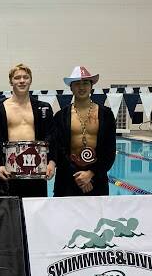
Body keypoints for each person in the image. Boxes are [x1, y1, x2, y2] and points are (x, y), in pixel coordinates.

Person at [49, 66, 117, 197]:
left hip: (97, 178)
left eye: (85, 83)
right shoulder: (60, 116)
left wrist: (91, 173)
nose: (81, 87)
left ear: (91, 86)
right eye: (77, 84)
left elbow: (109, 151)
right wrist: (78, 177)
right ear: (71, 87)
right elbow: (58, 150)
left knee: (96, 217)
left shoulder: (106, 114)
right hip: (67, 178)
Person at [0, 63, 56, 197]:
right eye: (17, 77)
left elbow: (51, 136)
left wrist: (52, 162)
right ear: (11, 81)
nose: (22, 81)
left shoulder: (43, 108)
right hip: (9, 171)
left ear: (30, 80)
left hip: (36, 171)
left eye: (25, 77)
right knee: (11, 214)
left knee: (35, 214)